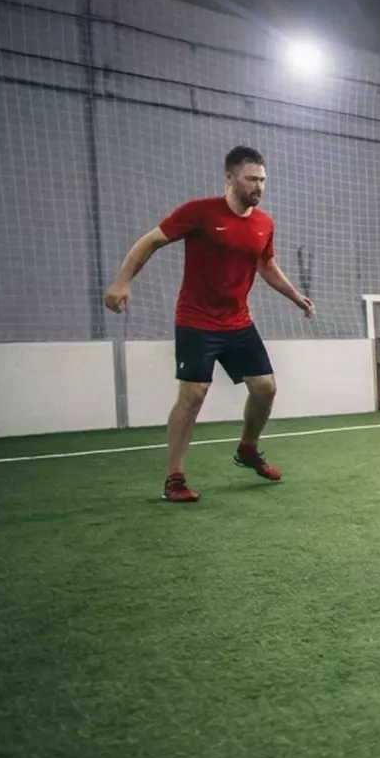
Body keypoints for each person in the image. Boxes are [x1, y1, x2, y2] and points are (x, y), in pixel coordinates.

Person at [103, 146, 314, 502]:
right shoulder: (199, 212)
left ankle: (247, 448)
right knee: (193, 395)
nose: (258, 187)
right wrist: (122, 281)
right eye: (251, 179)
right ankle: (174, 478)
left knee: (265, 388)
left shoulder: (264, 223)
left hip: (238, 323)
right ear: (230, 178)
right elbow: (150, 241)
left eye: (262, 180)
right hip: (196, 321)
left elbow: (266, 266)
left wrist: (296, 296)